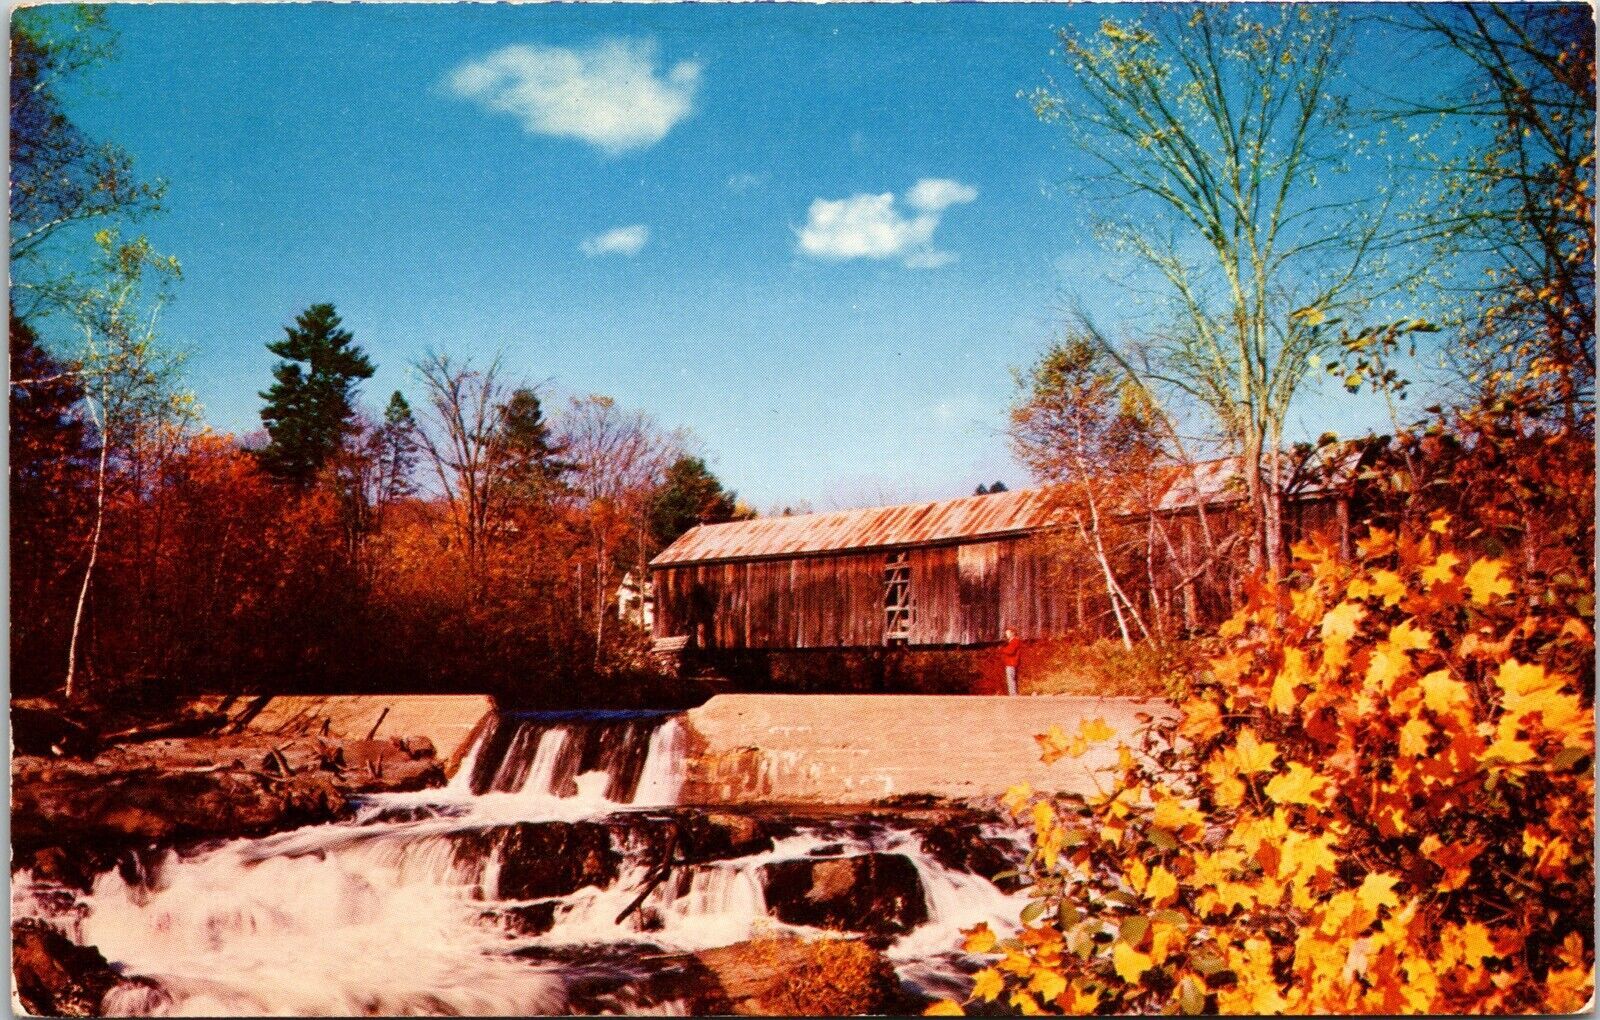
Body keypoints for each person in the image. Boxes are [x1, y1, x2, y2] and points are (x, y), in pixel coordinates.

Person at [1000, 627, 1022, 696]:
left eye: (1008, 633)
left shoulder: (1015, 641)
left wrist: (1002, 649)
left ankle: (1013, 694)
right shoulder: (1013, 641)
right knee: (1011, 678)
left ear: (1012, 633)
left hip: (1011, 663)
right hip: (1010, 663)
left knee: (1010, 678)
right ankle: (1012, 693)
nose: (1006, 634)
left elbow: (1010, 651)